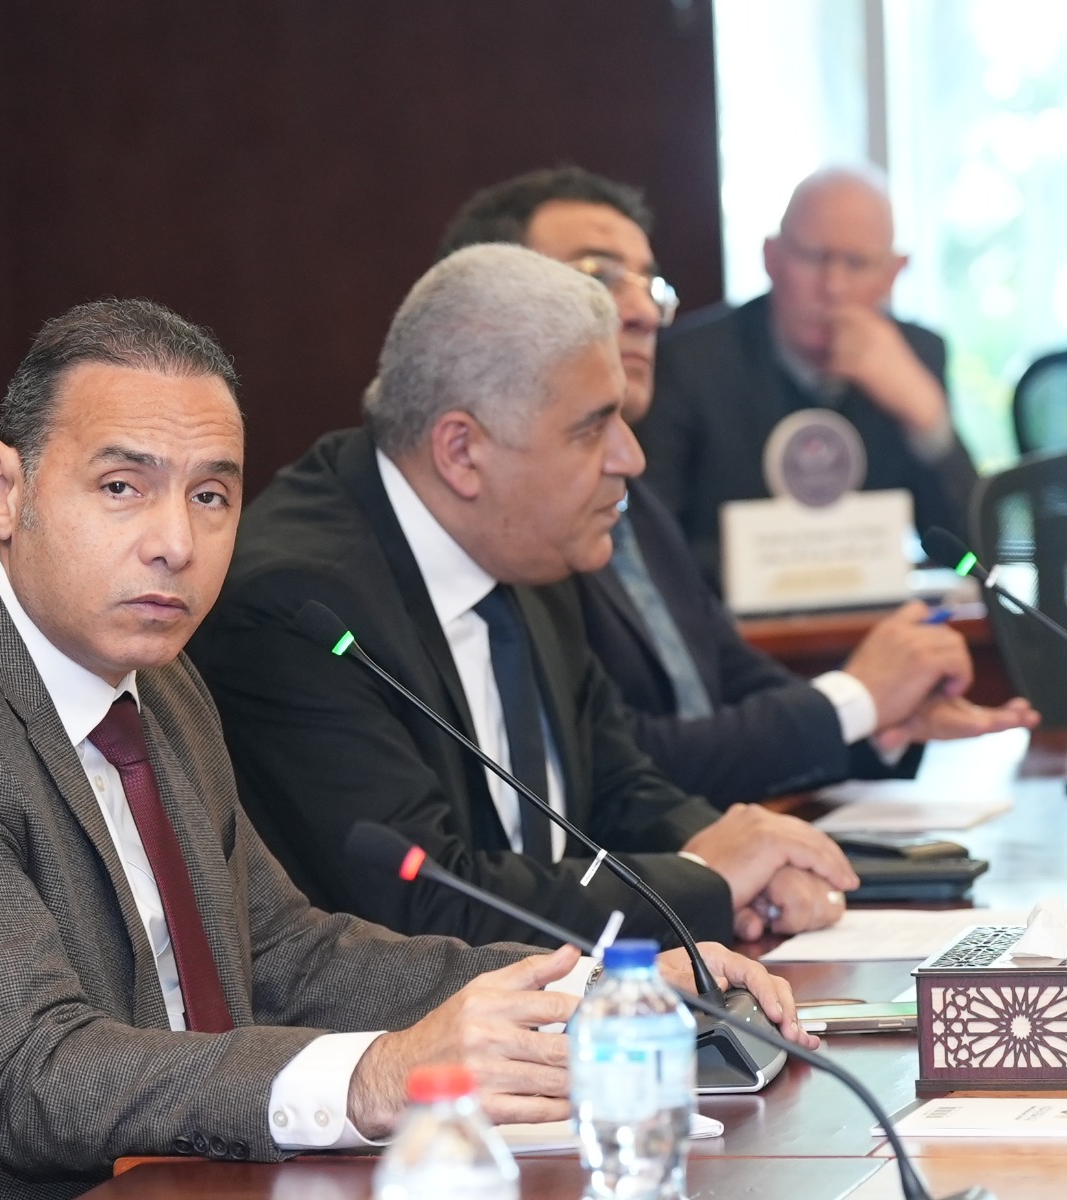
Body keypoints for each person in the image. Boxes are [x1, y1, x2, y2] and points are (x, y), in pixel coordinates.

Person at [0, 298, 804, 1200]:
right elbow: (35, 1074)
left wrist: (593, 995)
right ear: (4, 488)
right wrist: (374, 1075)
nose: (174, 543)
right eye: (121, 487)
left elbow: (282, 955)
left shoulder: (159, 681)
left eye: (211, 495)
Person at [189, 245, 861, 955]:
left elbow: (615, 784)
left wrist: (749, 858)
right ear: (462, 452)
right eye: (592, 428)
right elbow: (422, 904)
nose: (630, 458)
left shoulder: (522, 536)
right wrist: (701, 883)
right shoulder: (296, 610)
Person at [435, 166, 1036, 814]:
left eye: (647, 285)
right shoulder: (520, 511)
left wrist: (877, 716)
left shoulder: (634, 499)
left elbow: (726, 671)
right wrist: (856, 700)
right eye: (599, 278)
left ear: (895, 273)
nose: (641, 312)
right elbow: (619, 761)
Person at [634, 165, 979, 590]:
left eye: (857, 263)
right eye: (814, 257)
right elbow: (650, 548)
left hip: (878, 616)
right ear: (771, 258)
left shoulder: (918, 354)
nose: (833, 287)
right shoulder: (691, 362)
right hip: (726, 620)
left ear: (894, 272)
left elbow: (971, 555)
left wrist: (927, 418)